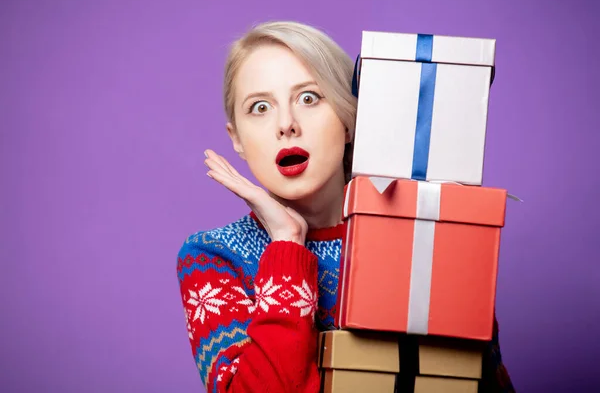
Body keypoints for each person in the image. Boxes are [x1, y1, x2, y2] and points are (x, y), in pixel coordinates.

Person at [176, 20, 515, 393]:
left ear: (350, 119)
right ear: (237, 139)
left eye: (309, 98)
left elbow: (476, 379)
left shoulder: (426, 234)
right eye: (260, 107)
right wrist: (287, 243)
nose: (286, 125)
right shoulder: (212, 256)